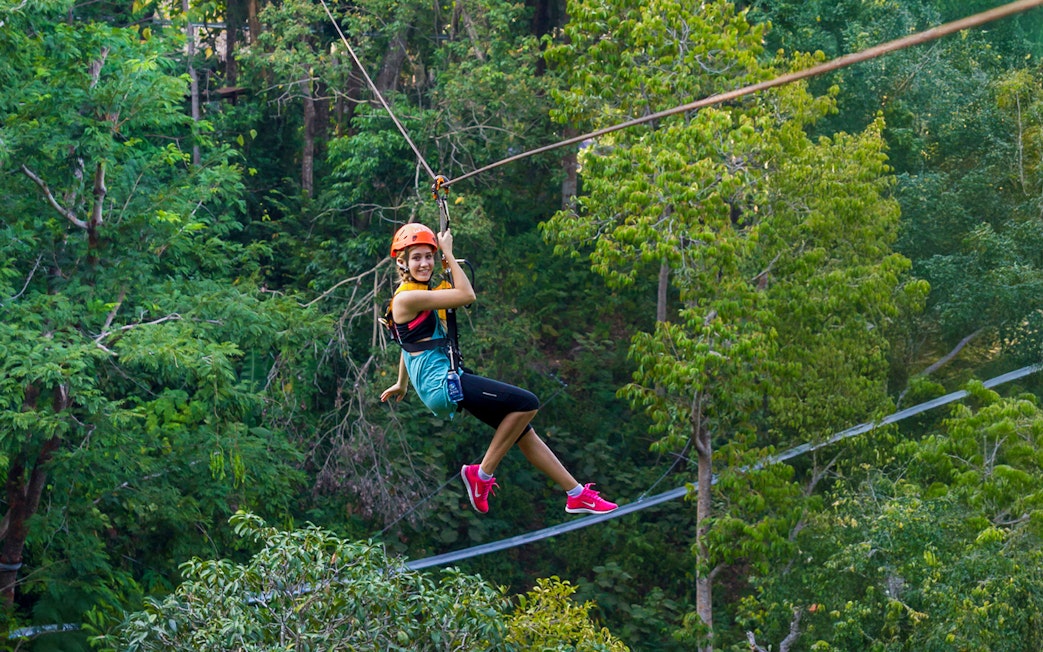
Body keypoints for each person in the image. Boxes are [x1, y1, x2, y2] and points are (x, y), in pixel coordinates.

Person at [380, 223, 618, 516]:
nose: (425, 263)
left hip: (445, 382)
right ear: (402, 263)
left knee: (522, 431)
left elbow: (408, 344)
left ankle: (576, 494)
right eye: (416, 257)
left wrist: (402, 383)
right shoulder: (407, 298)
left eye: (429, 256)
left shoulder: (415, 294)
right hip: (443, 385)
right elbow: (467, 295)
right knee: (527, 403)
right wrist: (449, 254)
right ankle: (480, 475)